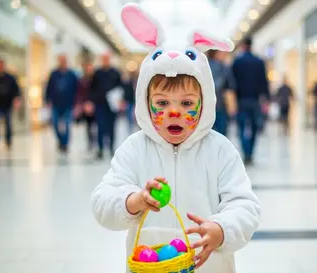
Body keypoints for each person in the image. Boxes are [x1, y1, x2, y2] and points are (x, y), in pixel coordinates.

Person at [91, 4, 260, 273]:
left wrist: (221, 229)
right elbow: (101, 202)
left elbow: (245, 205)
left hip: (209, 265)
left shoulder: (220, 151)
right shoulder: (134, 150)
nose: (174, 112)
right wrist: (132, 200)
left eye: (186, 103)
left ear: (205, 102)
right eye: (161, 102)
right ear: (145, 103)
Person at [231, 37, 270, 164]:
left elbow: (232, 83)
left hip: (240, 100)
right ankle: (251, 152)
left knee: (242, 126)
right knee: (254, 126)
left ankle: (246, 152)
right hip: (255, 100)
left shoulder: (237, 62)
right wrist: (267, 99)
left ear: (242, 45)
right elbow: (264, 82)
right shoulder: (259, 62)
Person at [85, 53, 122, 159]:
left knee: (111, 127)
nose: (105, 60)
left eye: (107, 58)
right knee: (100, 127)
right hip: (100, 104)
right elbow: (91, 89)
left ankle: (111, 146)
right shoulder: (97, 73)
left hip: (112, 105)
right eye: (103, 59)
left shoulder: (115, 72)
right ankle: (100, 149)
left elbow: (121, 88)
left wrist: (121, 101)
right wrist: (90, 102)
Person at [45, 54, 79, 153]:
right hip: (56, 104)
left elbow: (77, 89)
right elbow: (49, 88)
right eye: (61, 60)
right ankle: (60, 140)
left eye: (64, 60)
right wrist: (47, 100)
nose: (62, 62)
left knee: (67, 125)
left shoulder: (72, 74)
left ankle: (65, 144)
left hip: (68, 104)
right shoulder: (54, 74)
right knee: (55, 124)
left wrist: (77, 103)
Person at [208, 49, 236, 137]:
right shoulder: (224, 68)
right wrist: (232, 106)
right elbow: (230, 88)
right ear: (216, 53)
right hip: (221, 104)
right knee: (222, 133)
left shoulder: (203, 66)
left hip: (206, 105)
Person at [75, 62, 96, 151]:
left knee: (96, 125)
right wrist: (82, 104)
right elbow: (80, 93)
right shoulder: (82, 80)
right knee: (88, 125)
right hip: (86, 106)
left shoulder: (95, 79)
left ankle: (96, 141)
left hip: (95, 105)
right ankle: (90, 141)